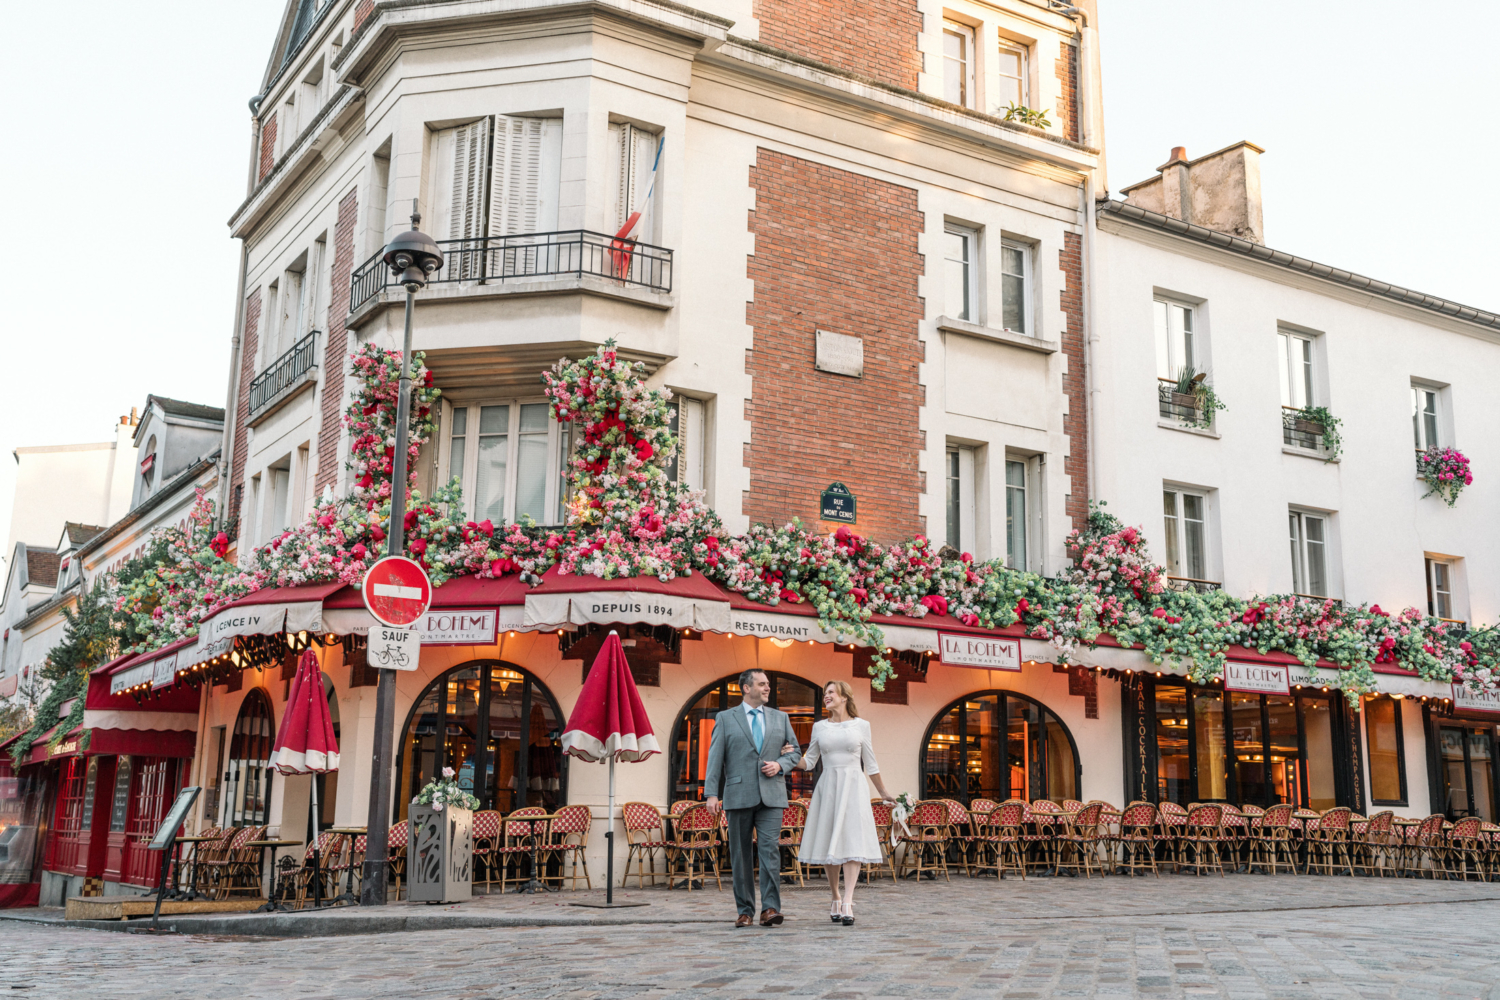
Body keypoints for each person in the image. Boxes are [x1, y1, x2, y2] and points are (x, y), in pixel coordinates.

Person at [783, 680, 894, 926]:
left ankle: (848, 900)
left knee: (852, 839)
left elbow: (871, 764)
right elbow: (809, 762)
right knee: (830, 840)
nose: (827, 696)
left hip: (854, 786)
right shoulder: (819, 727)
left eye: (831, 692)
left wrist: (884, 793)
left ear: (845, 697)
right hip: (828, 787)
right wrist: (789, 756)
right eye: (825, 694)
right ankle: (834, 896)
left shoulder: (862, 725)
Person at [703, 669, 803, 928]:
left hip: (772, 794)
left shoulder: (781, 719)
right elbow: (715, 757)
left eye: (768, 684)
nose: (767, 688)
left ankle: (770, 909)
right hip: (738, 794)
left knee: (770, 851)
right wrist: (711, 793)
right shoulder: (725, 718)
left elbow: (795, 752)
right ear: (746, 688)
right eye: (762, 684)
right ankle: (745, 910)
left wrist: (780, 765)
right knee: (740, 854)